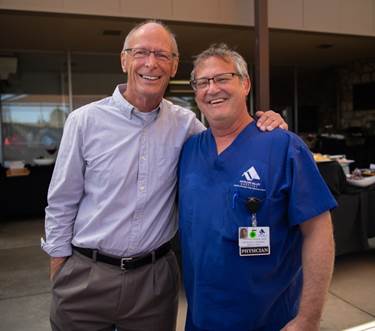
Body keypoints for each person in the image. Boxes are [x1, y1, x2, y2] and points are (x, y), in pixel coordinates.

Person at [41, 20, 287, 331]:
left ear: (173, 67)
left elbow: (231, 139)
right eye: (141, 52)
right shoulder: (84, 122)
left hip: (154, 282)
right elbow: (62, 201)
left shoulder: (186, 125)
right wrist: (61, 268)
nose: (151, 63)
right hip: (86, 275)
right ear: (124, 60)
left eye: (162, 55)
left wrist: (266, 122)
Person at [178, 44, 337, 331]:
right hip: (201, 318)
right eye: (202, 82)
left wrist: (308, 318)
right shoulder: (189, 150)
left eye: (222, 78)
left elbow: (319, 232)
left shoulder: (283, 146)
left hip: (269, 319)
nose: (211, 89)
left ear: (245, 83)